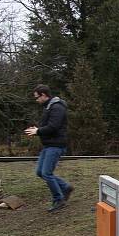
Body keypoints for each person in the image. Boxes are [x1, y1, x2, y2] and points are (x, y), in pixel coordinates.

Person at [25, 84, 73, 212]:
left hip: (56, 145)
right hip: (49, 145)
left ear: (44, 95)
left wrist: (38, 131)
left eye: (37, 97)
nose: (36, 100)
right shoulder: (49, 107)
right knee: (40, 172)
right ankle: (65, 187)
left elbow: (54, 127)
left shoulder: (57, 107)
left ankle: (59, 199)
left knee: (46, 173)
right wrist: (37, 130)